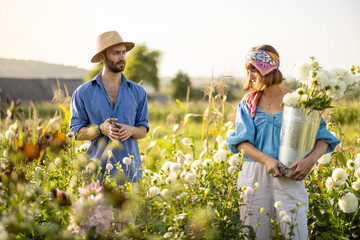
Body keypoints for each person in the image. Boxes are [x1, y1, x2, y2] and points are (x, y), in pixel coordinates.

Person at [226, 45, 340, 239]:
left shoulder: (299, 100)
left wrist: (310, 161)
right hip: (255, 175)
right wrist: (267, 160)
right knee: (255, 233)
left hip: (291, 173)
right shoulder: (248, 102)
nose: (250, 75)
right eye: (247, 70)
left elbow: (324, 138)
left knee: (296, 233)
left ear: (268, 68)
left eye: (253, 69)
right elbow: (241, 143)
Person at [70, 31, 149, 182]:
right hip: (95, 176)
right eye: (115, 53)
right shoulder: (83, 93)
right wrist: (100, 129)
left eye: (124, 53)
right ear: (102, 57)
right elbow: (76, 133)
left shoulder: (138, 92)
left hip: (130, 176)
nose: (122, 57)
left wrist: (131, 130)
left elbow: (143, 130)